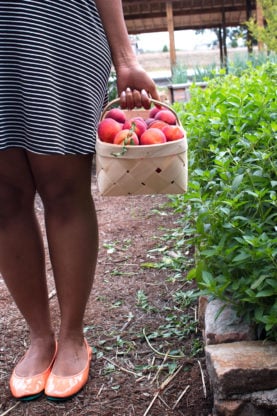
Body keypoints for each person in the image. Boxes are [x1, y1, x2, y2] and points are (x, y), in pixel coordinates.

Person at [0, 0, 160, 401]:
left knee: (64, 187)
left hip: (56, 24)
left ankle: (72, 335)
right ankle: (40, 337)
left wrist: (125, 57)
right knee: (4, 196)